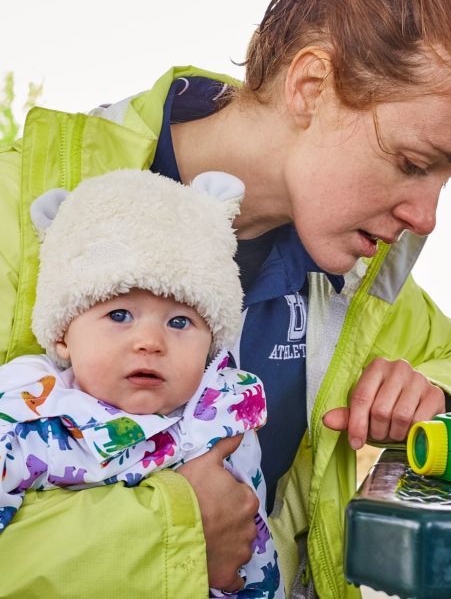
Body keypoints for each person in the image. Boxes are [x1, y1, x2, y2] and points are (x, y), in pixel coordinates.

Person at [0, 0, 451, 596]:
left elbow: (443, 355)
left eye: (450, 178)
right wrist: (177, 533)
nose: (426, 217)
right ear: (309, 88)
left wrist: (430, 392)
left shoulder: (353, 269)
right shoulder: (14, 210)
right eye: (414, 162)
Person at [0, 169, 282, 598]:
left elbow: (255, 553)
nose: (150, 342)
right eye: (119, 315)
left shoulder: (225, 417)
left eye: (180, 321)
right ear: (62, 335)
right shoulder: (30, 421)